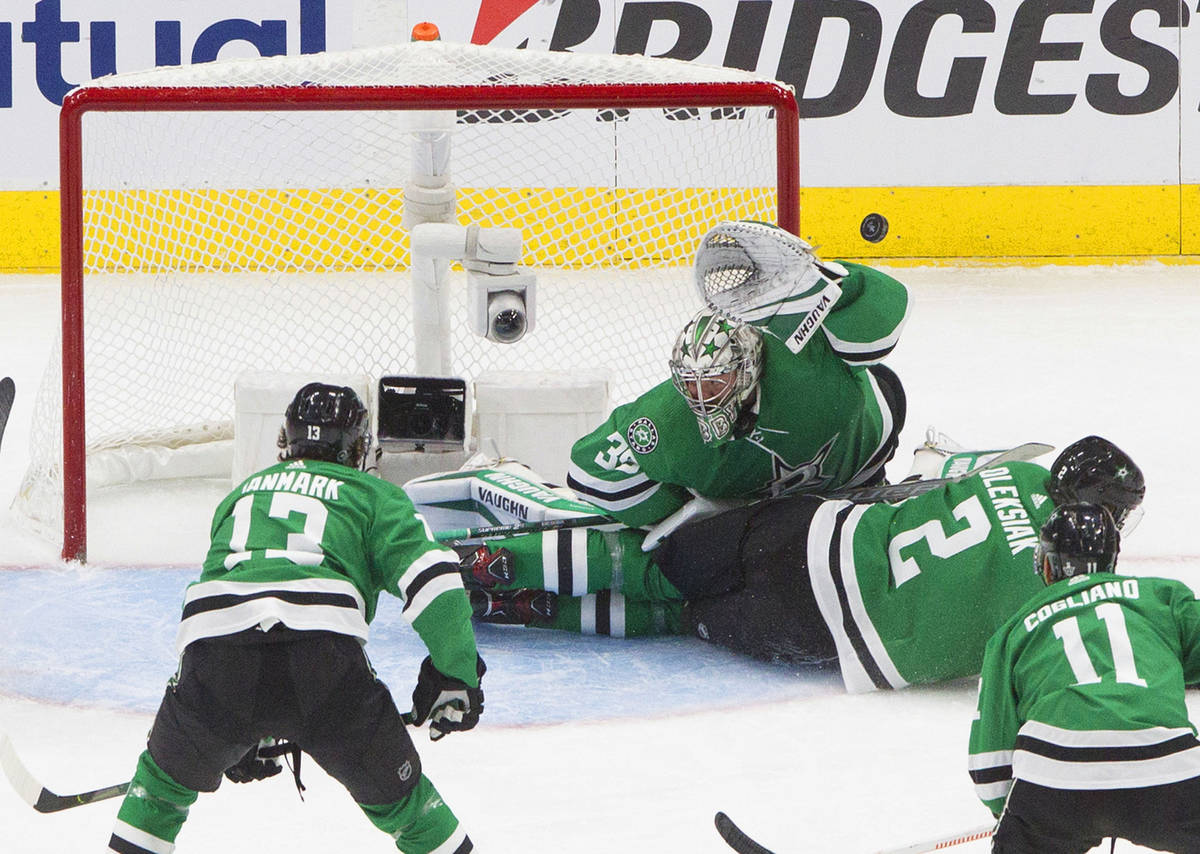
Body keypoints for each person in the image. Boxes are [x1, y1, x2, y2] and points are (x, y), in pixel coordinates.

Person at [107, 383, 485, 854]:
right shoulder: (370, 493)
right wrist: (457, 673)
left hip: (217, 657)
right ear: (358, 446)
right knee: (408, 810)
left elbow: (214, 611)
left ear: (286, 439)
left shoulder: (242, 494)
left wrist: (241, 727)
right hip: (323, 661)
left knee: (158, 795)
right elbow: (437, 583)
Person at [458, 436, 1145, 694]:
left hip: (813, 534)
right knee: (675, 615)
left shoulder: (1022, 469)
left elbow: (931, 466)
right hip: (822, 633)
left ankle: (484, 564)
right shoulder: (1067, 593)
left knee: (654, 560)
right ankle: (540, 611)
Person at [565, 220, 911, 529]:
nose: (701, 396)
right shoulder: (668, 417)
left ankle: (873, 481)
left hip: (860, 456)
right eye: (690, 383)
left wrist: (829, 283)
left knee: (883, 390)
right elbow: (591, 475)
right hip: (786, 500)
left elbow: (885, 314)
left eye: (716, 380)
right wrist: (693, 512)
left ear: (747, 370)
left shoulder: (802, 363)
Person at [968, 503, 1200, 853]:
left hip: (1055, 778)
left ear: (1048, 564)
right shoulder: (1162, 597)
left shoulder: (1014, 630)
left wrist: (1022, 821)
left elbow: (990, 767)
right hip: (1168, 770)